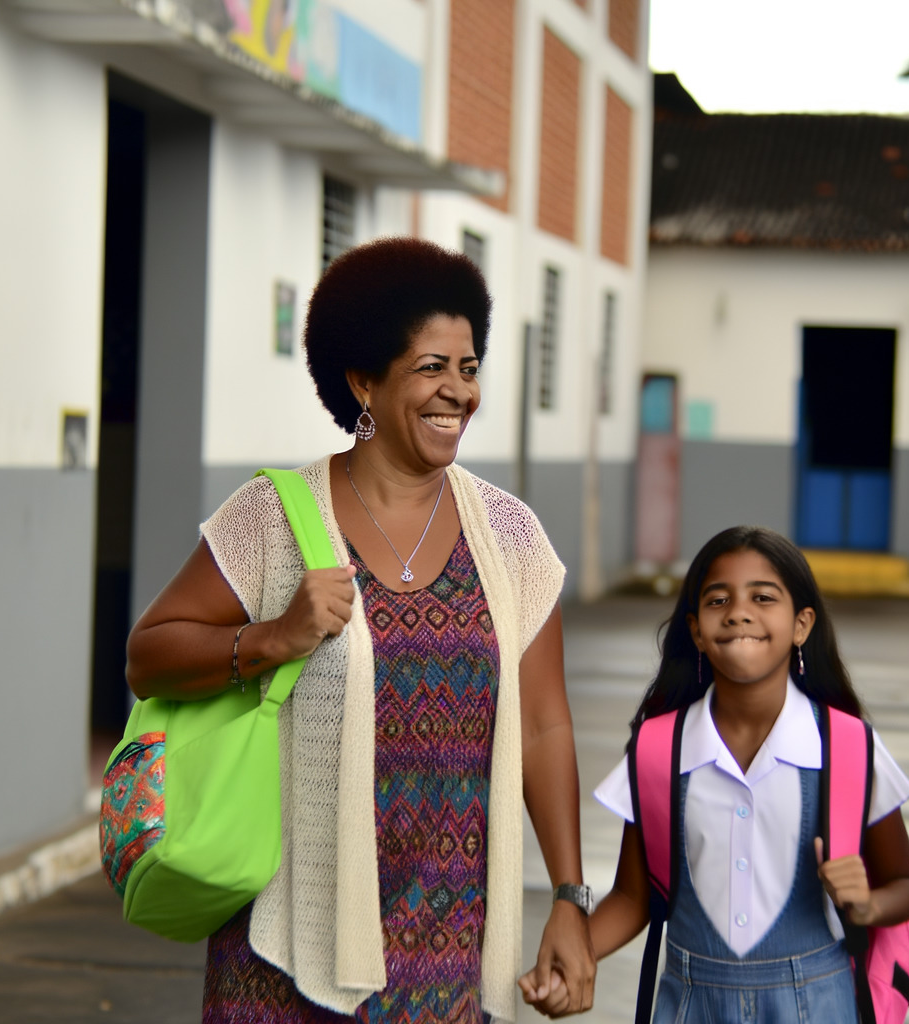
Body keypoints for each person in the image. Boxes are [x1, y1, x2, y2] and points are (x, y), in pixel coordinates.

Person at [125, 237, 596, 1023]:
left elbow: (546, 728)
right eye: (430, 367)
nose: (457, 392)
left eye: (469, 367)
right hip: (285, 939)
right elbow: (149, 655)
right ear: (362, 382)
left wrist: (571, 897)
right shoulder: (273, 517)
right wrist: (272, 638)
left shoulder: (510, 537)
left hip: (446, 951)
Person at [523, 526, 909, 1022]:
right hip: (691, 1004)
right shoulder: (658, 750)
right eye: (718, 600)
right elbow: (633, 896)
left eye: (762, 596)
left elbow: (907, 883)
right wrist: (573, 961)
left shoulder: (847, 748)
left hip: (818, 1004)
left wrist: (866, 907)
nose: (738, 611)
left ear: (802, 625)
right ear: (695, 630)